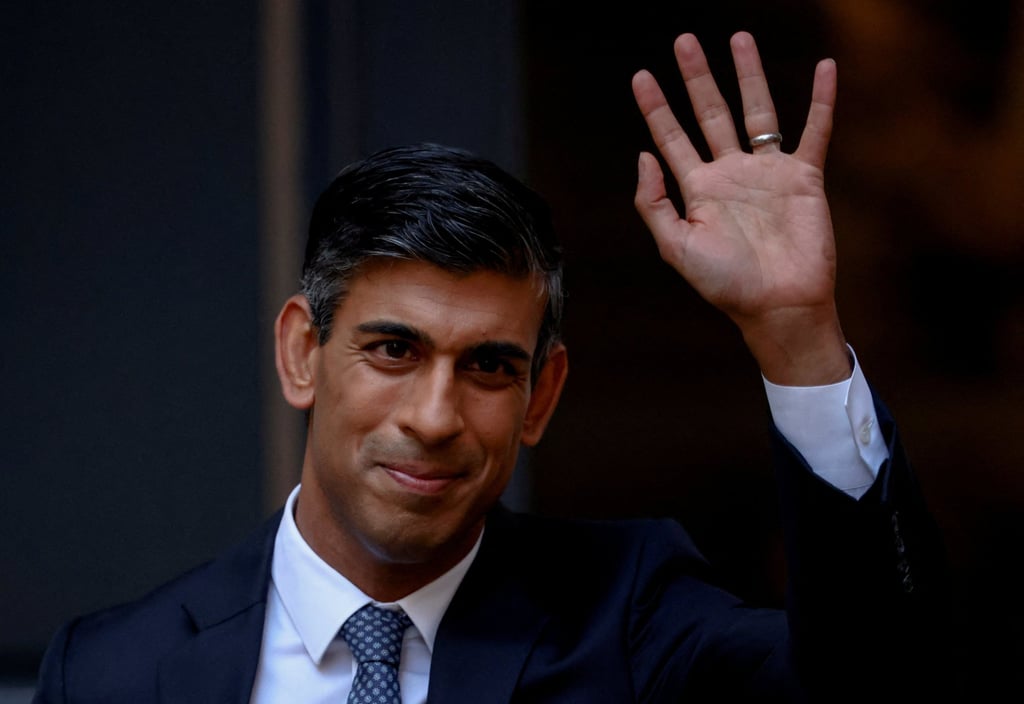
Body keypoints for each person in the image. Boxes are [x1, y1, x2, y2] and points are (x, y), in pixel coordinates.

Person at [31, 31, 949, 702]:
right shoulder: (115, 671)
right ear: (302, 353)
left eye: (489, 368)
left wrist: (797, 336)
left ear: (541, 395)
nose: (435, 416)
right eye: (394, 351)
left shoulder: (631, 619)